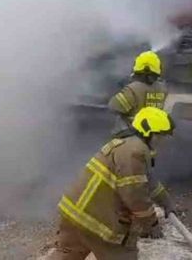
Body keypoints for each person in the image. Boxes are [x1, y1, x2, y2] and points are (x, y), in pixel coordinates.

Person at [50, 107, 177, 260]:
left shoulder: (125, 144)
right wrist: (151, 224)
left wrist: (166, 202)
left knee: (67, 254)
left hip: (74, 213)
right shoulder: (135, 151)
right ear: (148, 133)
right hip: (98, 223)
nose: (163, 142)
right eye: (161, 136)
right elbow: (134, 193)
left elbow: (148, 182)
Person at [108, 51, 167, 136]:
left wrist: (125, 87)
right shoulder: (163, 88)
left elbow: (113, 107)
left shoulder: (132, 90)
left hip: (132, 135)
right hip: (154, 135)